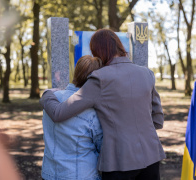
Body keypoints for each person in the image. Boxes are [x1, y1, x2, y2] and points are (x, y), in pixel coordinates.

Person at [40, 29, 166, 180]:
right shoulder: (147, 73)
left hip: (119, 162)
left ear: (98, 51)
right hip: (151, 156)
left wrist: (47, 94)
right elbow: (158, 120)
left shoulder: (100, 78)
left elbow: (58, 113)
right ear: (119, 46)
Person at [41, 55, 103, 180]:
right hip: (81, 174)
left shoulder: (53, 98)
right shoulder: (92, 110)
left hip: (49, 173)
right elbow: (102, 145)